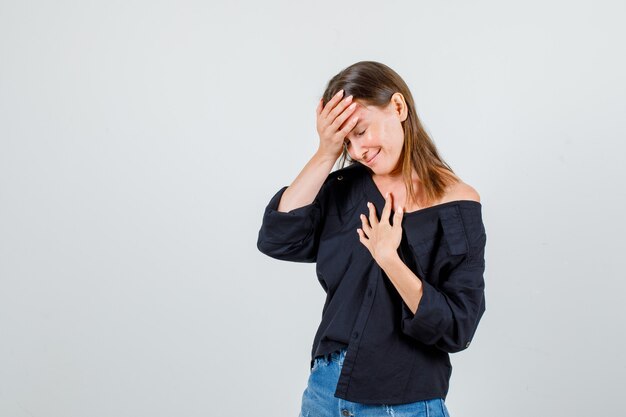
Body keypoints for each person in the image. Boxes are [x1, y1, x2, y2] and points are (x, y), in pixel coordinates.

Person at [257, 61, 487, 417]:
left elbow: (458, 327)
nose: (358, 149)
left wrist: (390, 260)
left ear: (398, 107)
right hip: (324, 394)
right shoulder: (344, 189)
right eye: (347, 141)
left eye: (361, 131)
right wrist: (326, 152)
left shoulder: (458, 205)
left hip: (402, 401)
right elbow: (278, 238)